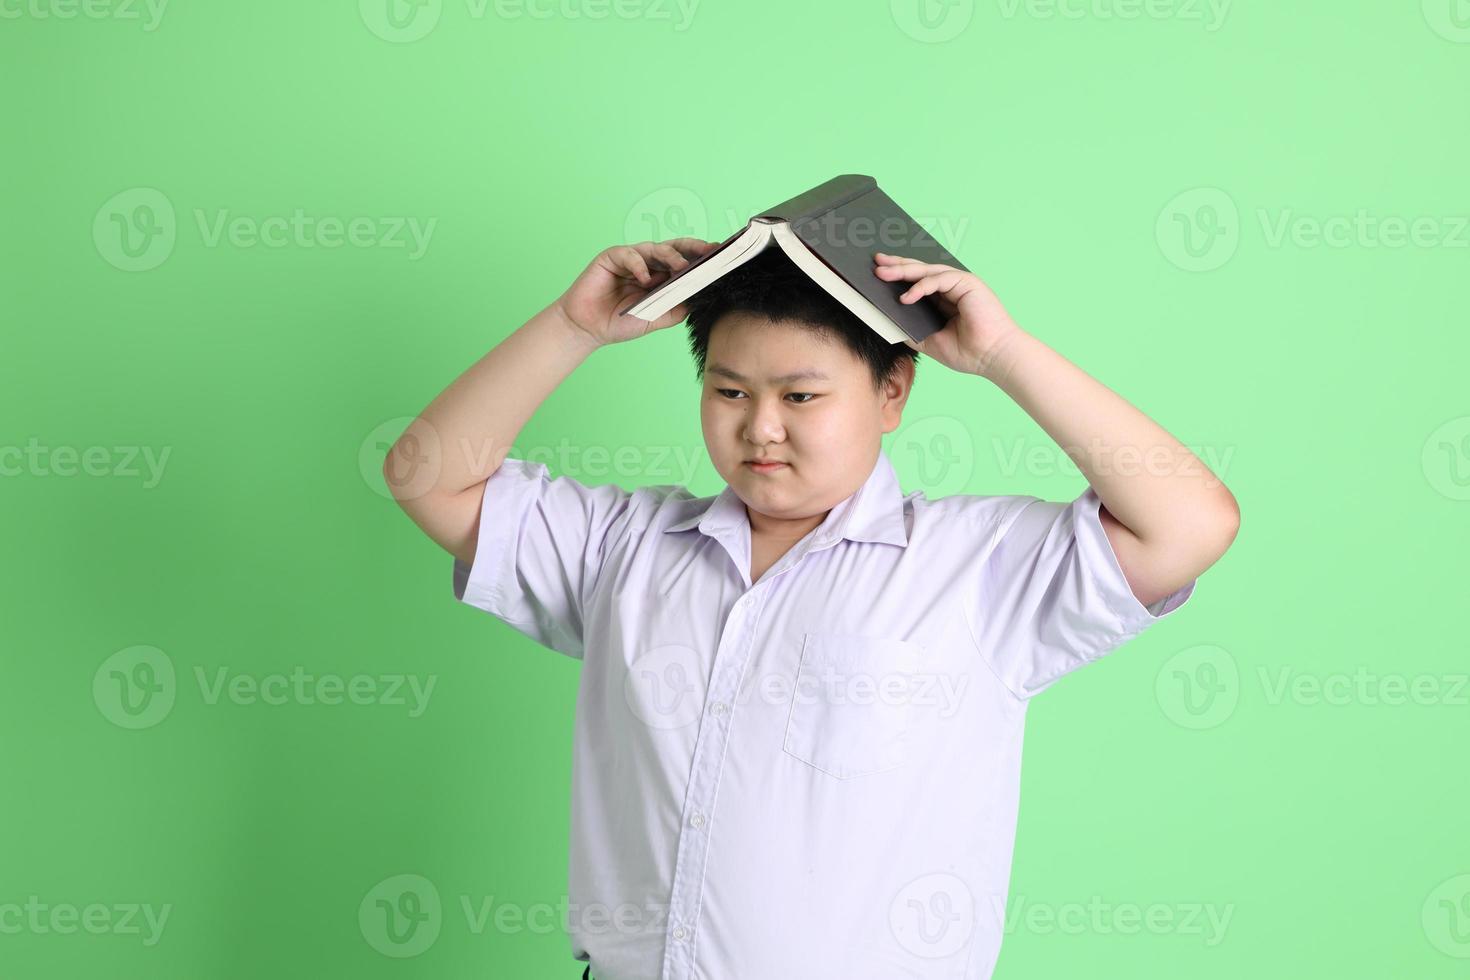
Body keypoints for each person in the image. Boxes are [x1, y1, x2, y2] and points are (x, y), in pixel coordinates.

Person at [384, 237, 1240, 979]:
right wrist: (572, 329)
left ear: (892, 391)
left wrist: (1003, 353)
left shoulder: (975, 567)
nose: (760, 429)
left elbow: (1191, 523)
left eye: (800, 397)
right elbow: (425, 475)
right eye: (729, 393)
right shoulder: (626, 547)